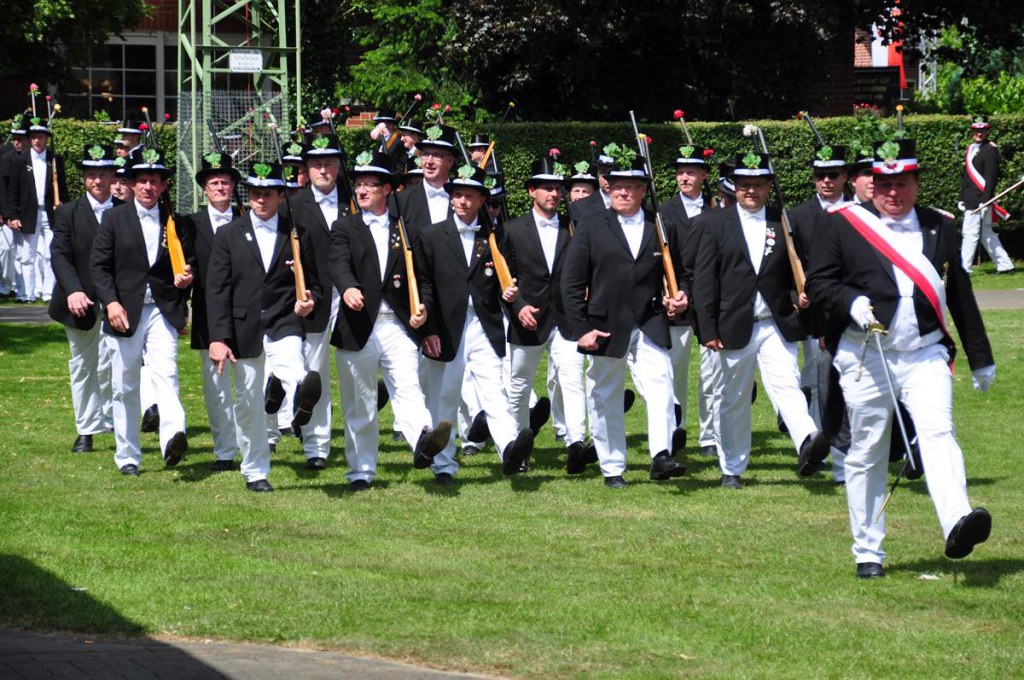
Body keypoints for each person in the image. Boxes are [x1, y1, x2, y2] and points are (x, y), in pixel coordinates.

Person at [806, 138, 996, 578]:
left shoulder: (940, 226)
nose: (894, 193)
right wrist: (851, 302)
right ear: (872, 184)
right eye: (885, 184)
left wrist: (980, 356)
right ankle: (868, 550)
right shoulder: (843, 225)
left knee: (939, 432)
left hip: (925, 352)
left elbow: (959, 293)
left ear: (916, 182)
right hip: (867, 354)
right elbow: (820, 284)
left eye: (903, 183)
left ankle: (958, 522)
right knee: (868, 449)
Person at [692, 152, 828, 490]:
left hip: (775, 322)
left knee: (787, 384)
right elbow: (704, 281)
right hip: (732, 324)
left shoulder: (783, 221)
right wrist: (707, 328)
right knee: (734, 398)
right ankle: (732, 467)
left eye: (757, 184)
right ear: (734, 187)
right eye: (744, 185)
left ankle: (808, 441)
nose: (750, 191)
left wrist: (800, 296)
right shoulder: (713, 224)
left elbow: (795, 270)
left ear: (769, 186)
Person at [561, 150, 688, 489]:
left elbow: (681, 272)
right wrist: (581, 330)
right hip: (604, 324)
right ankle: (612, 465)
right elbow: (571, 282)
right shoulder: (591, 226)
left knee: (661, 384)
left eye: (631, 187)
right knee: (606, 395)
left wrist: (682, 295)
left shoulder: (659, 225)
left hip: (649, 320)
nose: (623, 192)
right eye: (617, 186)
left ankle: (661, 454)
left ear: (643, 191)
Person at [328, 150, 452, 489]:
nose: (362, 190)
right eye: (359, 184)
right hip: (358, 325)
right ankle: (360, 471)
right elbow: (338, 263)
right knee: (360, 403)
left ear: (387, 189)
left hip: (398, 326)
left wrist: (425, 318)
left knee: (408, 387)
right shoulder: (344, 227)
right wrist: (348, 287)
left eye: (370, 184)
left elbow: (423, 281)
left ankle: (424, 440)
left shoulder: (408, 230)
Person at [206, 161, 322, 492]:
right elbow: (217, 289)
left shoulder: (297, 233)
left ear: (280, 196)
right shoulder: (229, 234)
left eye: (268, 193)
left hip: (284, 319)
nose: (260, 199)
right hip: (243, 326)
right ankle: (255, 470)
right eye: (255, 193)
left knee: (293, 366)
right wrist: (219, 338)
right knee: (247, 401)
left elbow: (313, 283)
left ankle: (300, 398)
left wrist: (308, 301)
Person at [417, 164, 535, 484]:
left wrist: (512, 297)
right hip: (446, 326)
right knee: (446, 394)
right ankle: (443, 464)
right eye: (458, 195)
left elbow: (505, 280)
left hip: (485, 323)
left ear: (482, 200)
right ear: (451, 197)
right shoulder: (431, 236)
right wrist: (427, 329)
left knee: (494, 389)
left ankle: (510, 449)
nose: (463, 201)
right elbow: (425, 285)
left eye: (470, 196)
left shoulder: (496, 236)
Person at [89, 148, 193, 477]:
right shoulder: (114, 219)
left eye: (155, 181)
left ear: (163, 186)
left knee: (166, 372)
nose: (148, 186)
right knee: (125, 384)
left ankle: (173, 437)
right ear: (132, 185)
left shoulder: (176, 221)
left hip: (162, 308)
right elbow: (99, 266)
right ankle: (128, 455)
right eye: (143, 180)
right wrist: (111, 303)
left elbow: (188, 264)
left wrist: (186, 279)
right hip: (125, 310)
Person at [503, 157, 589, 473]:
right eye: (546, 188)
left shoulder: (573, 227)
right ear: (531, 191)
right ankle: (519, 445)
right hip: (527, 319)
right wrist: (518, 306)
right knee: (519, 385)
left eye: (557, 188)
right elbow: (504, 279)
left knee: (572, 379)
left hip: (566, 319)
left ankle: (576, 444)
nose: (553, 193)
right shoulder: (512, 230)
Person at [283, 133, 349, 467]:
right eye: (317, 164)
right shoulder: (292, 206)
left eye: (329, 163)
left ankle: (359, 444)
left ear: (338, 167)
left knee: (355, 372)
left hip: (352, 295)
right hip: (314, 296)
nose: (323, 170)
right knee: (315, 372)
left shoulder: (354, 200)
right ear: (307, 169)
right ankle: (316, 447)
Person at [48, 144, 119, 453]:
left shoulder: (125, 211)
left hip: (118, 301)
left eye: (103, 174)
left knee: (114, 363)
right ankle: (86, 428)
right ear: (84, 178)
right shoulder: (67, 213)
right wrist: (74, 290)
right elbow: (60, 255)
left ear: (113, 176)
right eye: (91, 175)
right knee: (83, 365)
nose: (97, 181)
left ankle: (113, 420)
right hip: (80, 300)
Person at [181, 151, 242, 471]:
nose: (220, 187)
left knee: (251, 381)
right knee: (216, 386)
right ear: (205, 188)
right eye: (214, 182)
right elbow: (184, 266)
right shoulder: (191, 224)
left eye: (225, 182)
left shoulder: (247, 219)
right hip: (208, 313)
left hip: (246, 310)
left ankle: (261, 439)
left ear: (233, 186)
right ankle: (225, 451)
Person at [659, 144, 716, 459]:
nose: (684, 177)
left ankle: (709, 436)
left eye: (690, 172)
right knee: (675, 369)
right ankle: (674, 429)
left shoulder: (717, 210)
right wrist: (672, 293)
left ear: (703, 175)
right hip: (677, 295)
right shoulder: (663, 211)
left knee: (711, 372)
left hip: (709, 297)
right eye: (680, 172)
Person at [5, 115, 68, 302]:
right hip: (28, 214)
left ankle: (48, 292)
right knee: (27, 256)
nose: (37, 141)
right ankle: (27, 292)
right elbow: (13, 190)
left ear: (46, 138)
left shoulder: (54, 160)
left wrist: (63, 209)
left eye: (40, 137)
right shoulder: (21, 161)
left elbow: (62, 188)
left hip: (50, 213)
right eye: (33, 137)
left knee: (51, 254)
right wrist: (13, 215)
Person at [959, 116, 1014, 275]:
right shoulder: (971, 148)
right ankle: (1005, 265)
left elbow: (991, 177)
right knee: (986, 234)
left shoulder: (990, 150)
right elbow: (967, 176)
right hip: (970, 199)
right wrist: (962, 197)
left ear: (987, 131)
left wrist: (986, 200)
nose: (979, 133)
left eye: (982, 130)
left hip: (981, 199)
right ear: (972, 131)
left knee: (969, 233)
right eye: (977, 130)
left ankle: (964, 268)